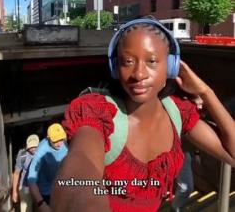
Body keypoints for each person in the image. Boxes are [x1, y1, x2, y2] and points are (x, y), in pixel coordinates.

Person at [51, 17, 235, 212]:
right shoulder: (98, 113)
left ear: (172, 67)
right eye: (128, 61)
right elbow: (78, 172)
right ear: (116, 67)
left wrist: (206, 92)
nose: (138, 74)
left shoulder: (177, 112)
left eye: (152, 61)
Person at [27, 123, 68, 211]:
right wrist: (41, 203)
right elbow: (31, 179)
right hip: (46, 191)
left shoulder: (66, 142)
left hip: (62, 185)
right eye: (55, 141)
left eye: (61, 139)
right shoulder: (41, 152)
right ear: (48, 138)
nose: (59, 144)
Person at [12, 134, 39, 212]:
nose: (33, 148)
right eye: (31, 146)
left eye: (35, 146)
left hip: (39, 187)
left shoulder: (43, 152)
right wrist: (14, 192)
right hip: (25, 187)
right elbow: (16, 173)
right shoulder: (22, 155)